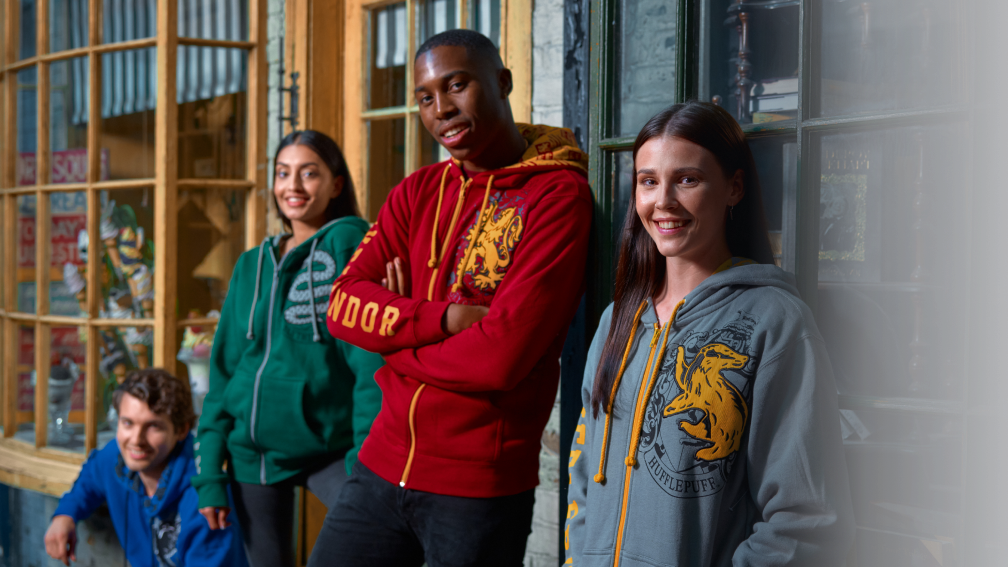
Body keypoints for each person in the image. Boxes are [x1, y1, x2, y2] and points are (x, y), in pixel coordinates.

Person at [309, 29, 592, 566]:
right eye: (425, 97)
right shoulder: (415, 192)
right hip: (380, 463)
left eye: (456, 85)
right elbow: (342, 306)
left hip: (478, 487)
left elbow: (500, 357)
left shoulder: (557, 197)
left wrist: (392, 339)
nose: (441, 109)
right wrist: (445, 319)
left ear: (502, 82)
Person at [564, 102, 855, 566]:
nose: (663, 201)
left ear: (734, 187)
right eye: (648, 181)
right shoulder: (616, 320)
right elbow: (583, 480)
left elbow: (807, 520)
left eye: (687, 179)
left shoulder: (774, 322)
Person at [191, 130, 385, 567]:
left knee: (370, 544)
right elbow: (224, 376)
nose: (293, 186)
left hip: (332, 450)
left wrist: (364, 464)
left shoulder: (350, 247)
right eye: (283, 173)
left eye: (309, 173)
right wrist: (210, 474)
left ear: (336, 184)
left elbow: (370, 369)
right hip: (254, 457)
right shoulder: (251, 265)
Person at [44, 369, 246, 567]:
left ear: (181, 430)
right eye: (127, 423)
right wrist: (65, 515)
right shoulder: (115, 457)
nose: (136, 440)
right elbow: (91, 476)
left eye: (153, 426)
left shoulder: (205, 495)